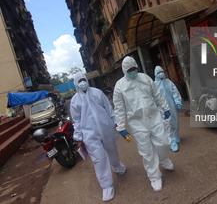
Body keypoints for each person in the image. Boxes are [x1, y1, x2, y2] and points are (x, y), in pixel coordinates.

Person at [113, 56, 173, 192]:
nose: (133, 72)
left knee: (163, 142)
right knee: (146, 151)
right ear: (124, 70)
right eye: (130, 70)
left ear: (137, 67)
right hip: (137, 122)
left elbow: (156, 94)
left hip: (154, 117)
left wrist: (165, 107)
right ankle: (154, 176)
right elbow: (119, 108)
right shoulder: (120, 86)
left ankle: (164, 159)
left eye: (134, 69)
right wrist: (121, 126)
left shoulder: (145, 78)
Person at [70, 72, 126, 202]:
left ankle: (116, 166)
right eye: (80, 81)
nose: (83, 82)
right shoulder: (74, 101)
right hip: (89, 134)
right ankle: (106, 186)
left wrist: (116, 122)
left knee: (112, 150)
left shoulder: (97, 93)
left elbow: (109, 109)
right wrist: (79, 138)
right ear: (76, 84)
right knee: (99, 158)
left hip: (106, 128)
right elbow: (76, 121)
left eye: (84, 79)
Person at [154, 66, 182, 152]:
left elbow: (175, 92)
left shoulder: (168, 82)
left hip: (171, 105)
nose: (161, 73)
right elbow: (153, 97)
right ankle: (171, 141)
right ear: (155, 74)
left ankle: (175, 135)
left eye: (162, 71)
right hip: (162, 107)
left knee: (175, 120)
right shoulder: (154, 85)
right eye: (158, 72)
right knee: (167, 124)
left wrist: (178, 102)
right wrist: (154, 107)